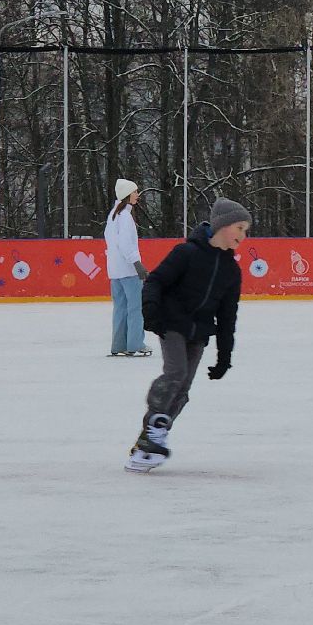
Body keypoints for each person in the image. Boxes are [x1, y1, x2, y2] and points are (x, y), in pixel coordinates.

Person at [126, 199, 250, 472]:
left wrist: (224, 357)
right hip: (172, 323)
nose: (243, 235)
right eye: (239, 228)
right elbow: (156, 281)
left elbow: (228, 317)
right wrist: (151, 312)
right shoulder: (186, 253)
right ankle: (154, 426)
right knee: (175, 373)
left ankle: (153, 436)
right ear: (222, 225)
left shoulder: (232, 271)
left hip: (199, 332)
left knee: (183, 390)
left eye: (245, 230)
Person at [104, 178, 151, 357]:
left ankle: (118, 345)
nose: (137, 195)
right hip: (128, 270)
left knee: (121, 308)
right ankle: (135, 344)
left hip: (115, 271)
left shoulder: (113, 215)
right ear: (126, 195)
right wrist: (137, 263)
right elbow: (125, 244)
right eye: (135, 192)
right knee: (135, 307)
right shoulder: (125, 217)